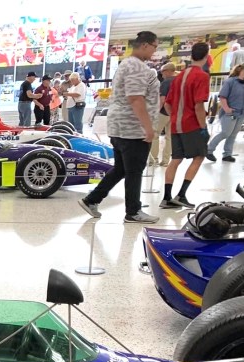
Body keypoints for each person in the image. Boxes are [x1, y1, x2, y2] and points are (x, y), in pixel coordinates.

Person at [79, 31, 160, 224]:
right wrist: (148, 127)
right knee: (134, 171)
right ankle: (133, 211)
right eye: (155, 47)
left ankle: (92, 200)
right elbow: (135, 98)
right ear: (145, 45)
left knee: (121, 169)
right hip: (132, 128)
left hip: (121, 126)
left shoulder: (127, 64)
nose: (155, 51)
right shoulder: (136, 66)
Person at [160, 42, 210, 209]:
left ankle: (167, 198)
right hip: (191, 125)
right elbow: (198, 105)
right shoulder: (202, 76)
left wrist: (175, 117)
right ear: (206, 56)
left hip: (176, 125)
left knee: (175, 159)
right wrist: (203, 127)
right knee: (199, 156)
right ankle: (181, 195)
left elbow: (167, 104)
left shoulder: (179, 76)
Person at [206, 64, 244, 163]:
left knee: (233, 134)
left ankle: (227, 154)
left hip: (241, 113)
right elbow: (222, 96)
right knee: (225, 132)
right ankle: (209, 150)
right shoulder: (230, 82)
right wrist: (227, 109)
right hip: (230, 112)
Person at [149, 62, 176, 166]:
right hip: (174, 113)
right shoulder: (179, 81)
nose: (162, 74)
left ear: (168, 71)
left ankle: (153, 159)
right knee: (169, 137)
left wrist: (156, 111)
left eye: (163, 71)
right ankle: (165, 161)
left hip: (163, 112)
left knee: (155, 135)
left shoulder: (166, 82)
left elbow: (162, 99)